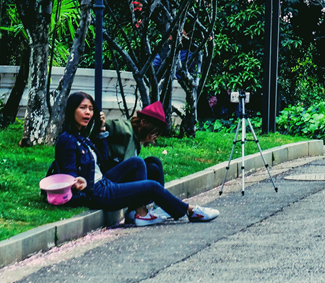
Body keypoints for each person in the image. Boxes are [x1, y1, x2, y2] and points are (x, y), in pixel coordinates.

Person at [49, 92, 218, 223]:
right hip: (97, 191)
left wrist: (101, 130)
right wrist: (83, 188)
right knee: (151, 186)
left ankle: (140, 212)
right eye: (82, 108)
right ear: (72, 111)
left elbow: (102, 159)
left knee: (138, 163)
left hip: (104, 181)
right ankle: (190, 211)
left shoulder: (81, 137)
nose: (87, 113)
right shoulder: (67, 140)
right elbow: (68, 179)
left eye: (91, 109)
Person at [103, 102, 174, 224]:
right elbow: (109, 126)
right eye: (153, 132)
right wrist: (101, 124)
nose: (153, 137)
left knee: (154, 163)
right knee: (139, 163)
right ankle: (137, 211)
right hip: (112, 180)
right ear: (143, 123)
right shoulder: (126, 129)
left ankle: (158, 206)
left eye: (156, 134)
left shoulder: (136, 140)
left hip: (125, 177)